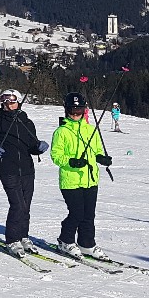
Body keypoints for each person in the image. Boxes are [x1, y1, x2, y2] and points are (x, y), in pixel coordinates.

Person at [0, 88, 49, 255]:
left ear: (18, 102)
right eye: (4, 101)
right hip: (8, 170)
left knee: (26, 206)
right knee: (17, 205)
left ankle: (23, 236)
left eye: (11, 101)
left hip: (27, 170)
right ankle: (12, 239)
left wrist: (39, 147)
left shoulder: (27, 122)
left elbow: (32, 146)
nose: (8, 104)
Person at [50, 91, 113, 259]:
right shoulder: (61, 131)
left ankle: (87, 244)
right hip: (70, 180)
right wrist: (71, 161)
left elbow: (97, 150)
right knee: (77, 213)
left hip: (90, 179)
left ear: (84, 110)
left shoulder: (91, 130)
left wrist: (101, 158)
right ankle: (65, 241)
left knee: (89, 215)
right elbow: (56, 155)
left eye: (79, 110)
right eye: (72, 110)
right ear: (66, 110)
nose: (75, 114)